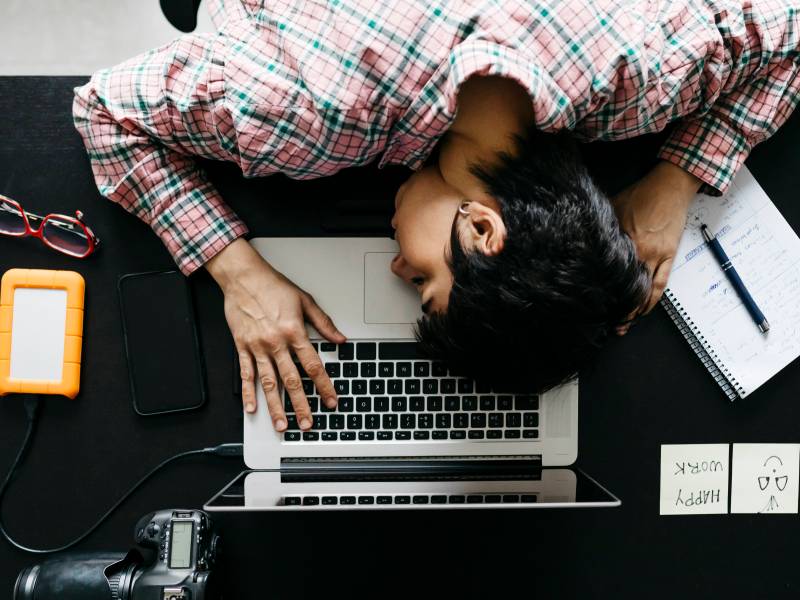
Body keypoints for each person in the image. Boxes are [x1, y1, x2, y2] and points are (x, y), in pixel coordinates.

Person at [73, 0, 800, 433]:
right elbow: (101, 111)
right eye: (423, 279)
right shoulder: (298, 114)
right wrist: (238, 273)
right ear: (482, 227)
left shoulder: (643, 72)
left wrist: (675, 182)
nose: (396, 265)